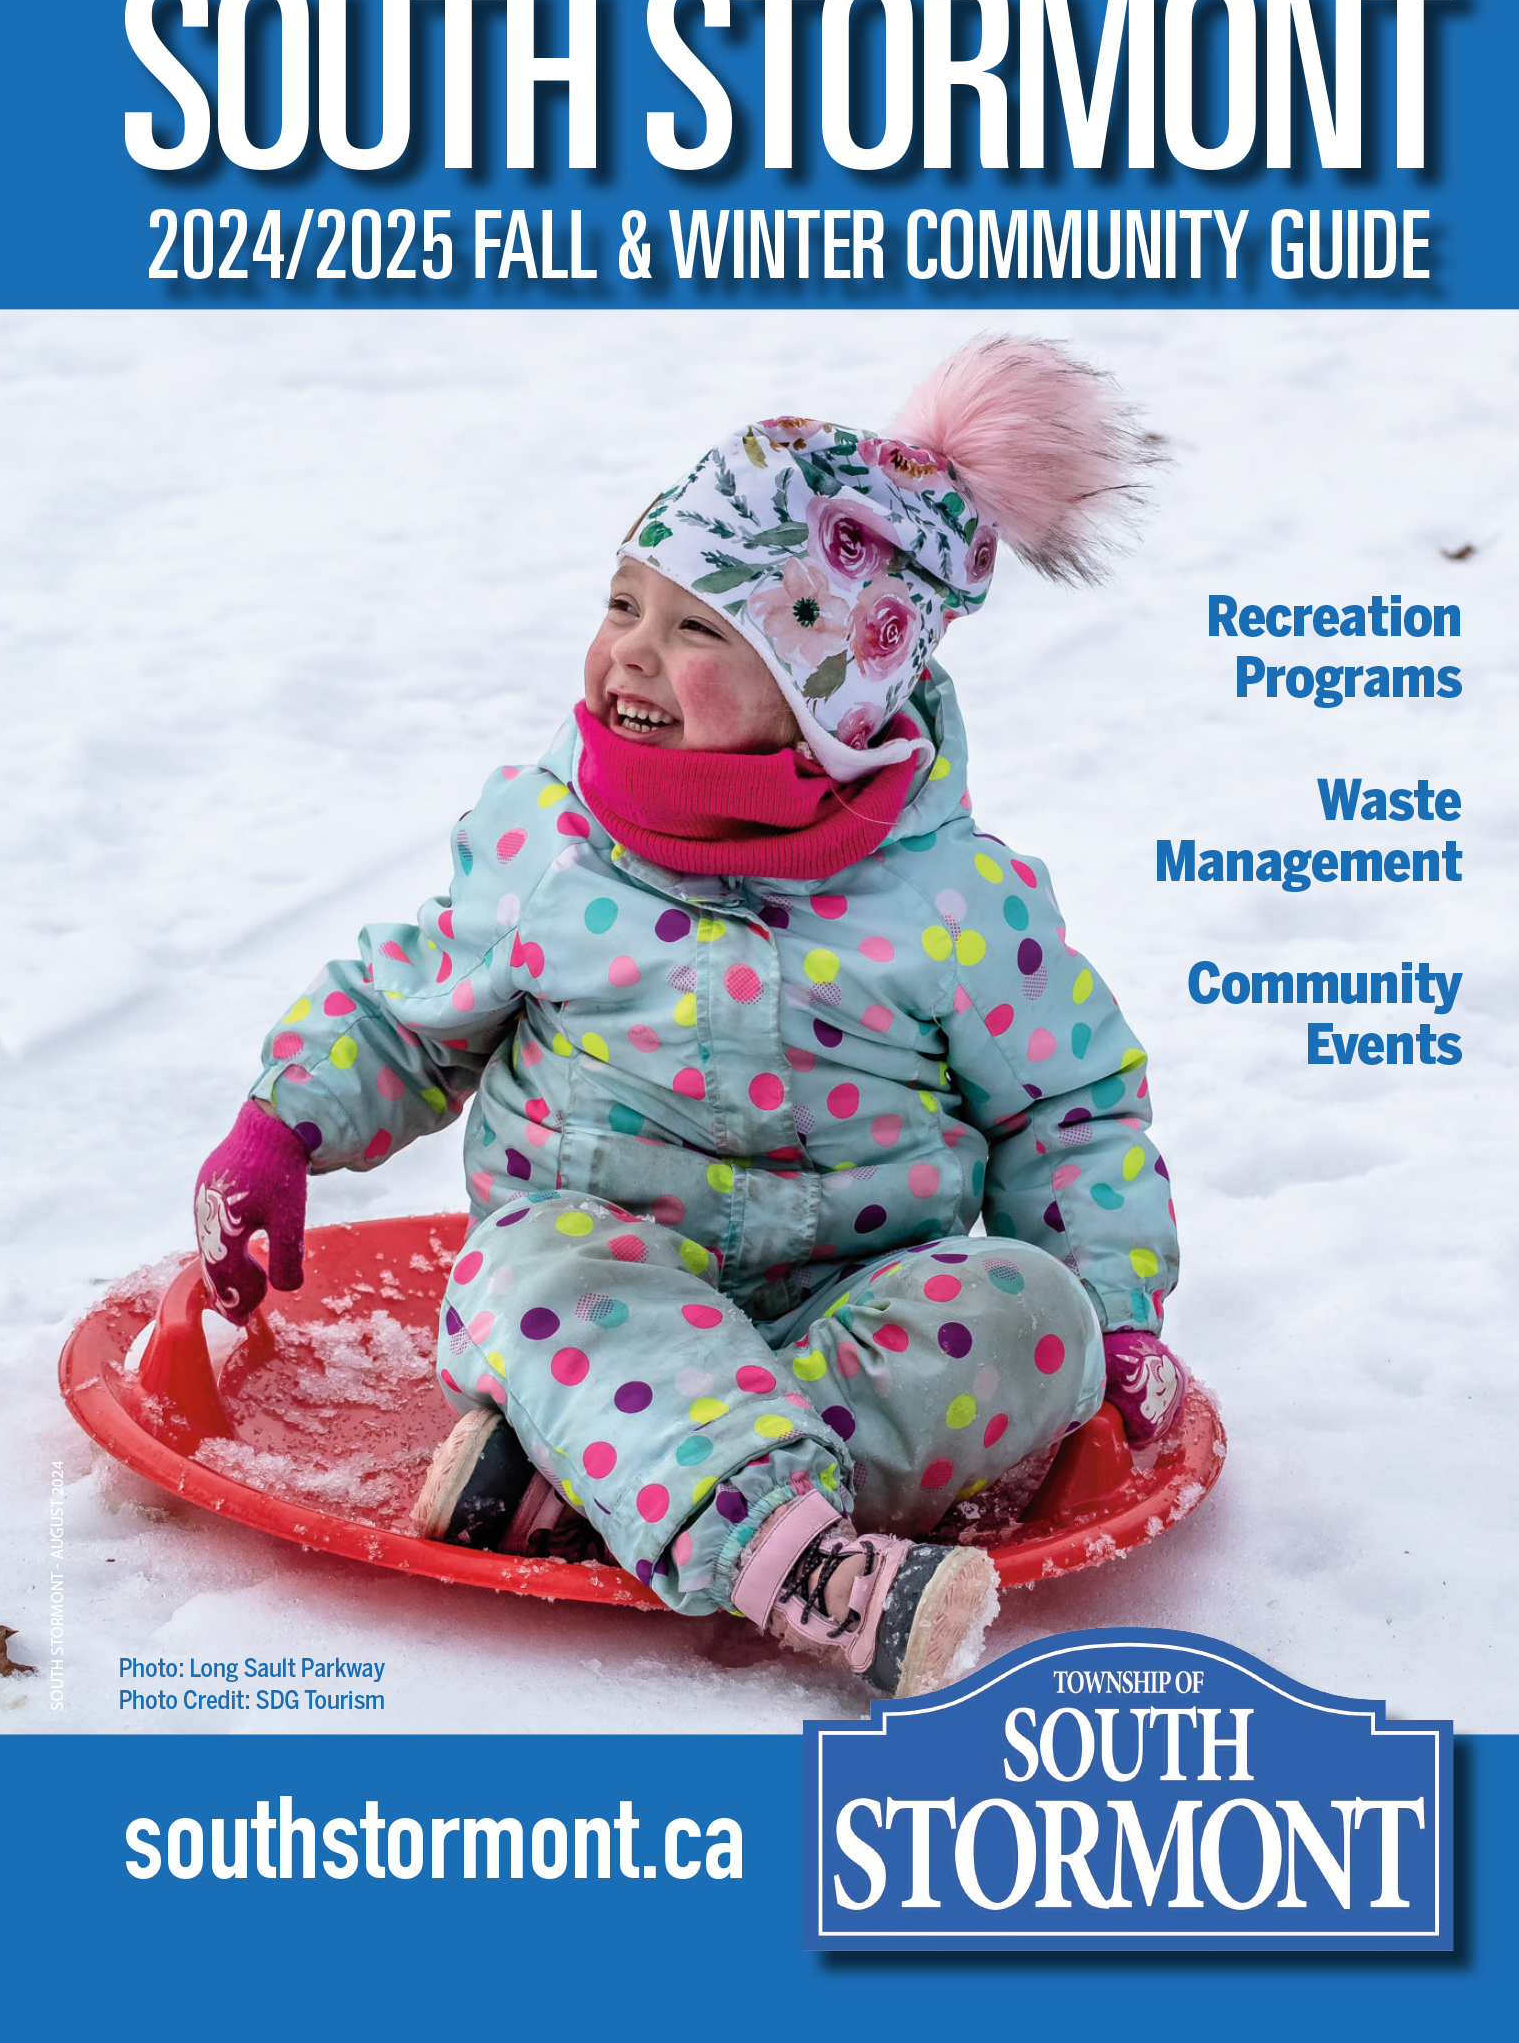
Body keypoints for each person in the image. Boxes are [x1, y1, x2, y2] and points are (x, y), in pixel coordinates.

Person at [192, 335, 1185, 1698]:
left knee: (1036, 1314)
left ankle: (589, 1481)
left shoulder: (954, 904)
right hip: (601, 1284)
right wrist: (279, 1127)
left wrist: (1118, 1304)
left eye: (699, 628)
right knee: (528, 1269)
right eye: (621, 602)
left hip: (850, 1313)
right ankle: (806, 1561)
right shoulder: (551, 839)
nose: (631, 655)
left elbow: (1065, 1109)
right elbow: (404, 1011)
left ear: (827, 691)